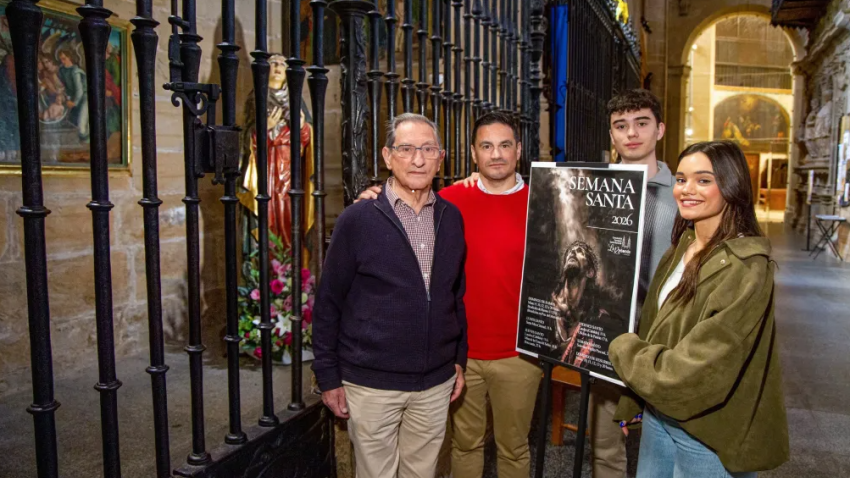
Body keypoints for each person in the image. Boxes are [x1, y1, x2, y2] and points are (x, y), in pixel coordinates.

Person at [356, 111, 541, 478]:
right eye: (486, 146)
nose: (496, 154)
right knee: (465, 444)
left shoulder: (542, 205)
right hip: (460, 356)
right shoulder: (450, 201)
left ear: (518, 151)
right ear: (473, 154)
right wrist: (373, 195)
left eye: (505, 145)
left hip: (520, 354)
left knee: (515, 447)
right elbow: (404, 207)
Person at [609, 140, 789, 477]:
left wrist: (622, 349)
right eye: (680, 179)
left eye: (703, 180)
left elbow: (700, 367)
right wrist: (637, 401)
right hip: (659, 413)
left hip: (706, 431)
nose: (686, 190)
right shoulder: (684, 245)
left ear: (731, 185)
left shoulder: (746, 268)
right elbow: (656, 326)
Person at [312, 113, 468, 478]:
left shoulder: (452, 218)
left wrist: (458, 358)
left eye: (428, 149)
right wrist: (328, 376)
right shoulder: (358, 219)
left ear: (440, 156)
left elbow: (455, 295)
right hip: (370, 385)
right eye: (406, 149)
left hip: (434, 384)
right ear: (387, 156)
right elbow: (328, 302)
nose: (418, 159)